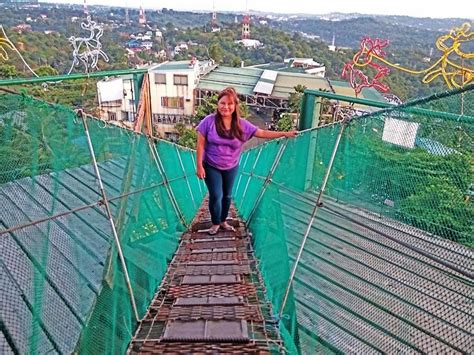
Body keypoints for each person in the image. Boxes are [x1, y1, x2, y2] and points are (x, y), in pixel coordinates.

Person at [196, 87, 297, 235]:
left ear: (235, 106)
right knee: (216, 195)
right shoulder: (208, 122)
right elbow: (200, 144)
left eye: (229, 104)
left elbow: (261, 133)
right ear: (218, 104)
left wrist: (284, 133)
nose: (226, 107)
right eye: (222, 103)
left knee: (227, 195)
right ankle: (215, 223)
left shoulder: (242, 124)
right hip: (211, 165)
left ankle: (223, 220)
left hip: (231, 166)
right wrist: (199, 165)